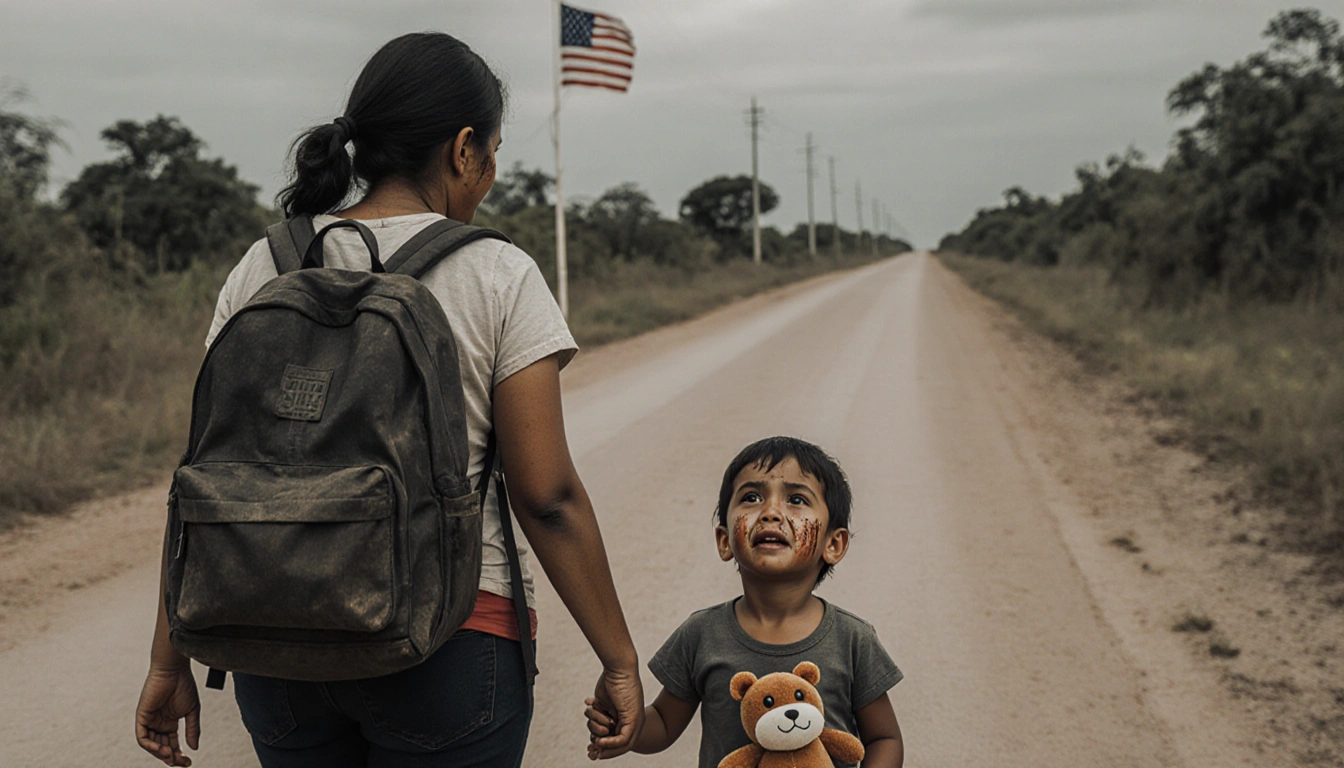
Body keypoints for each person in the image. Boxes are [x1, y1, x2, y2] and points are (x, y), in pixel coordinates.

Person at [134, 32, 644, 768]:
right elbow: (548, 497)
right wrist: (619, 659)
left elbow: (207, 480)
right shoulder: (496, 273)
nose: (491, 173)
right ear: (464, 149)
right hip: (450, 640)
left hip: (275, 645)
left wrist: (167, 658)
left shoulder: (264, 265)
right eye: (493, 152)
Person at [584, 436, 905, 767]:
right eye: (751, 498)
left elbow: (884, 739)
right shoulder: (701, 634)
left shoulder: (852, 639)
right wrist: (623, 724)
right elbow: (663, 725)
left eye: (796, 499)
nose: (770, 512)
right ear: (724, 541)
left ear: (833, 544)